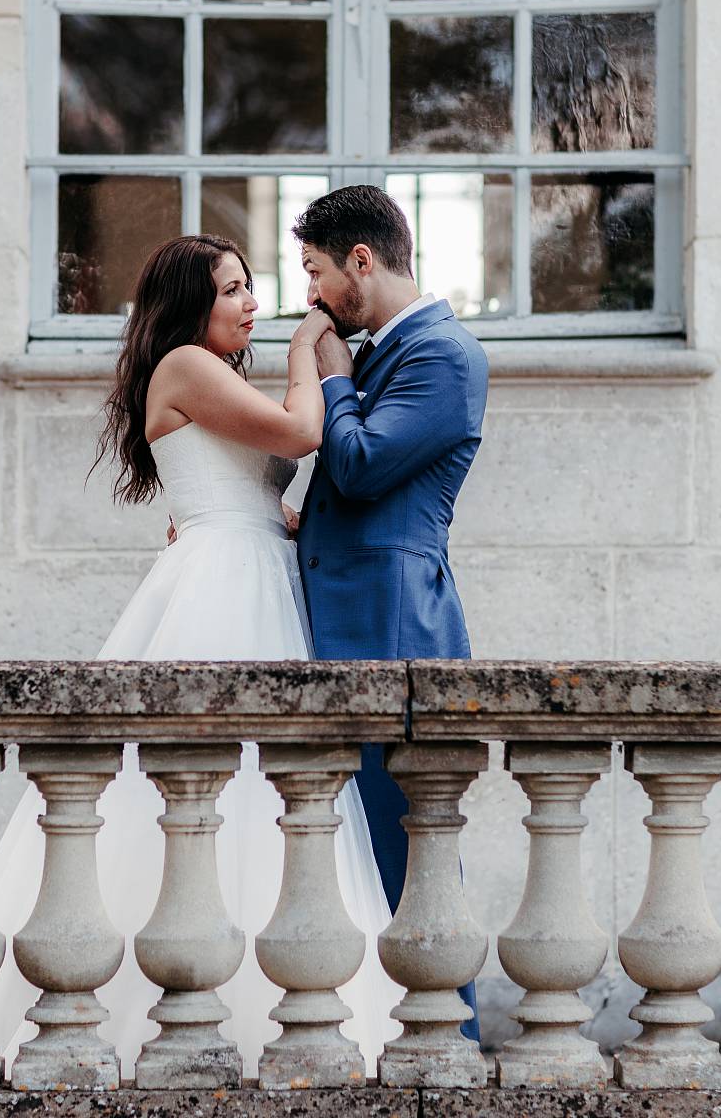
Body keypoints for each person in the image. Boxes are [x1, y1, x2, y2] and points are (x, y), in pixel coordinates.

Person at [0, 233, 400, 1082]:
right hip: (220, 588)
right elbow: (301, 434)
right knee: (208, 786)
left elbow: (251, 485)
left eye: (251, 286)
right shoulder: (187, 366)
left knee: (278, 792)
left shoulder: (218, 374)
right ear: (188, 304)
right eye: (233, 290)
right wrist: (313, 349)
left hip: (257, 573)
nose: (252, 302)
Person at [292, 186, 489, 1041]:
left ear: (361, 263)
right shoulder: (384, 350)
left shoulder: (444, 355)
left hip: (394, 627)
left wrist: (333, 376)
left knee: (409, 862)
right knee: (346, 860)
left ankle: (451, 1045)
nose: (310, 296)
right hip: (342, 622)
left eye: (316, 272)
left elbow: (366, 465)